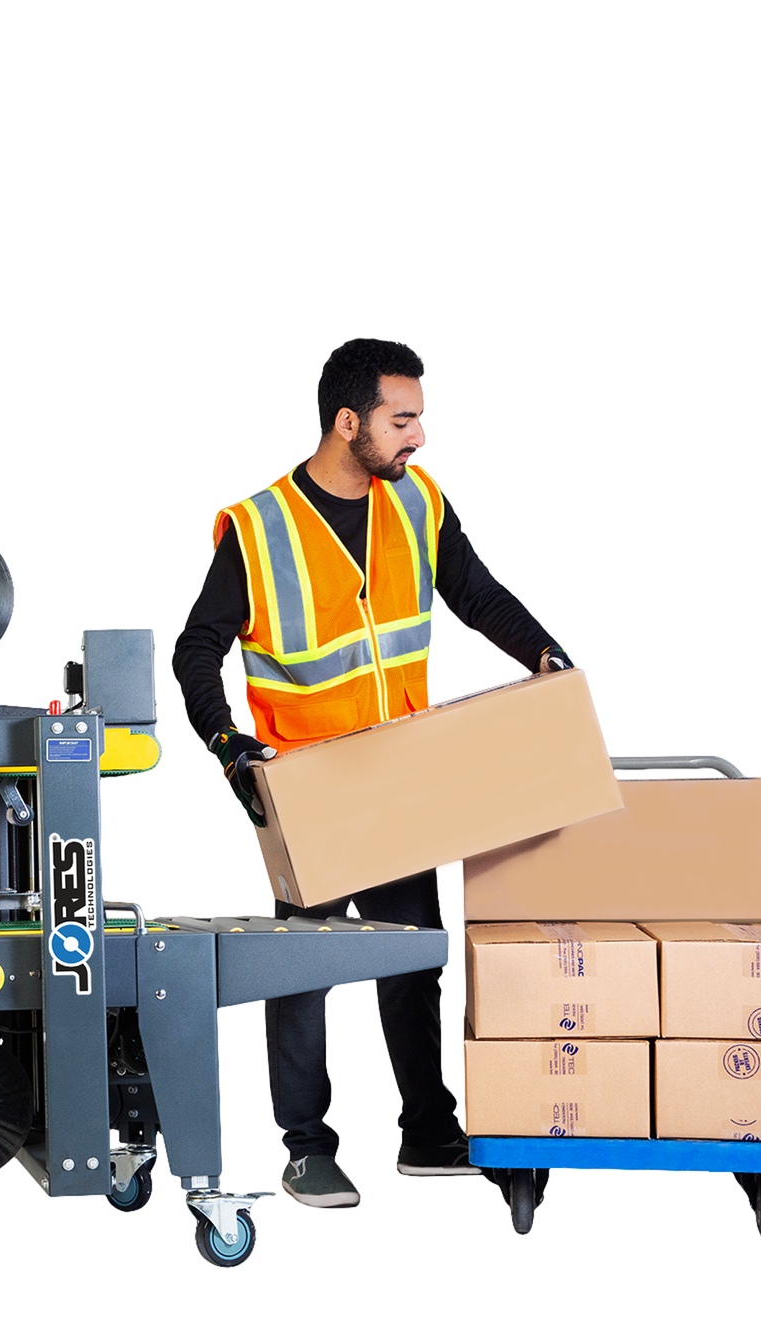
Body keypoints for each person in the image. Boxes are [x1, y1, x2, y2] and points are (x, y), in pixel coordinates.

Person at [172, 338, 573, 1209]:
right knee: (301, 971)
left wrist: (546, 656)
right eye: (403, 419)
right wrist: (228, 743)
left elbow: (479, 594)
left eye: (418, 417)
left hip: (400, 782)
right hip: (310, 788)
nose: (419, 436)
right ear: (347, 422)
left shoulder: (417, 503)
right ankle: (306, 1146)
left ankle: (428, 1131)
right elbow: (196, 648)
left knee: (413, 960)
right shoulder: (261, 526)